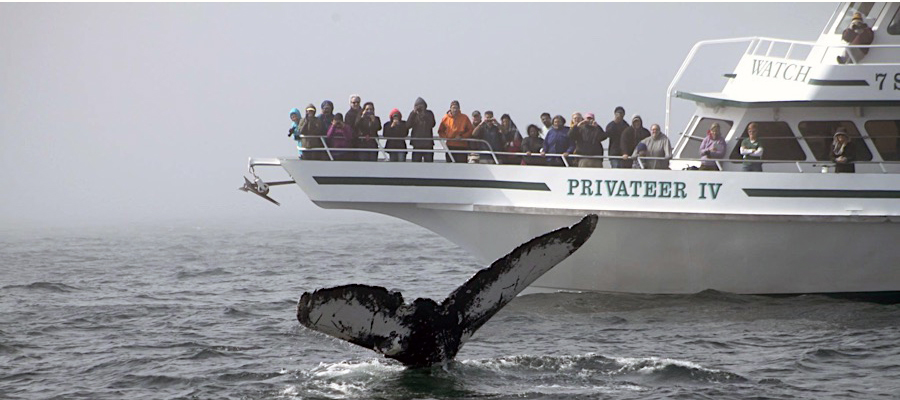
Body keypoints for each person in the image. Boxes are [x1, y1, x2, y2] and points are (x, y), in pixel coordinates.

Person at [407, 97, 436, 162]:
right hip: (416, 144)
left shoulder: (429, 113)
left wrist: (424, 115)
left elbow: (432, 124)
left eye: (421, 105)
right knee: (416, 164)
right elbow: (408, 125)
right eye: (417, 105)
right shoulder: (413, 114)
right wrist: (413, 113)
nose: (419, 107)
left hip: (428, 143)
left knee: (429, 163)